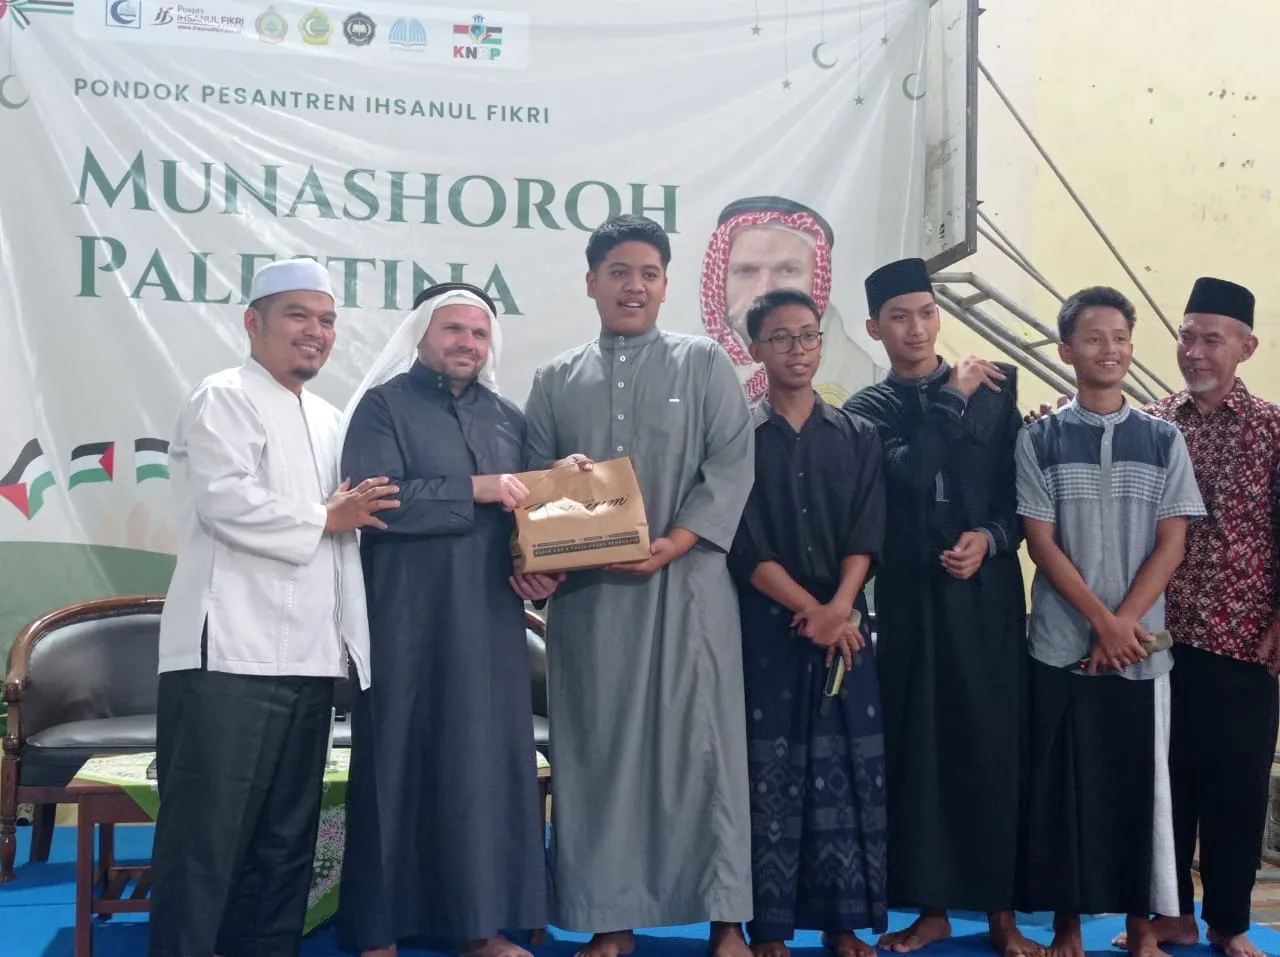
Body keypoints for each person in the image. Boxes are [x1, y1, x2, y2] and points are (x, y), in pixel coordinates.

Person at [150, 258, 399, 957]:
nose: (315, 331)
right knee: (204, 842)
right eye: (298, 315)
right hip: (226, 657)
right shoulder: (223, 396)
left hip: (310, 660)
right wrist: (326, 516)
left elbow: (353, 529)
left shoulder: (330, 419)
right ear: (253, 321)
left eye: (326, 320)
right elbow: (225, 500)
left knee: (287, 842)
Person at [523, 214, 756, 957]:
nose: (634, 286)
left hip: (689, 593)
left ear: (665, 285)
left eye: (649, 273)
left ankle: (726, 920)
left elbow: (730, 466)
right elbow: (531, 487)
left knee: (705, 750)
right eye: (619, 272)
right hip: (593, 604)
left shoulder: (703, 363)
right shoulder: (555, 379)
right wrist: (558, 489)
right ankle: (610, 921)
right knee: (596, 754)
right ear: (591, 282)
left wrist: (674, 544)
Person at [335, 282, 559, 957]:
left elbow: (528, 515)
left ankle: (478, 929)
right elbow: (375, 502)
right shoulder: (383, 407)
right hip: (404, 618)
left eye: (479, 332)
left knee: (480, 772)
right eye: (454, 329)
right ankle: (378, 932)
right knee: (394, 763)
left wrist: (539, 566)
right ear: (422, 335)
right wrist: (475, 488)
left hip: (489, 622)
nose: (468, 343)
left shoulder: (507, 417)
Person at [843, 258, 1035, 957]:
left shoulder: (997, 388)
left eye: (926, 313)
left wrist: (990, 540)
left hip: (986, 599)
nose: (917, 329)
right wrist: (951, 399)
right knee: (921, 751)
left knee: (993, 747)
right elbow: (908, 472)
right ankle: (932, 911)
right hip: (912, 599)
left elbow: (1019, 499)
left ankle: (1002, 913)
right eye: (899, 317)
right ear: (875, 328)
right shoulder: (867, 409)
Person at [1015, 285, 1206, 957]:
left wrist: (1124, 625)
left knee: (1140, 793)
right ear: (1066, 350)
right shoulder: (1038, 437)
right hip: (1061, 645)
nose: (1110, 349)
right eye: (1094, 338)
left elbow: (1173, 543)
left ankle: (1142, 927)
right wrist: (1100, 622)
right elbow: (1040, 542)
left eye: (1120, 338)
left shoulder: (1163, 438)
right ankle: (1066, 927)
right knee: (1064, 789)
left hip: (1140, 651)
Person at [1110, 277, 1280, 957]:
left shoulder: (1271, 429)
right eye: (1186, 336)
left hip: (1244, 639)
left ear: (1246, 347)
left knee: (1236, 787)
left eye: (1212, 339)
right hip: (1159, 637)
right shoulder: (1153, 423)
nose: (1195, 351)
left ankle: (1229, 922)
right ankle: (1172, 914)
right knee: (1164, 784)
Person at [727, 288, 889, 957]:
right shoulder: (737, 438)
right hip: (766, 628)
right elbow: (744, 544)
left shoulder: (858, 435)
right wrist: (810, 609)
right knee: (770, 775)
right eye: (781, 337)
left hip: (844, 629)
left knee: (845, 771)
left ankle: (841, 923)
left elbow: (866, 532)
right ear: (755, 349)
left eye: (808, 335)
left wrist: (840, 607)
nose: (797, 349)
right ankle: (768, 929)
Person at [699, 196, 883, 406]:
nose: (764, 290)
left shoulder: (870, 384)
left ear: (818, 282)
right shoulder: (693, 372)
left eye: (787, 270)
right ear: (721, 281)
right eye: (746, 271)